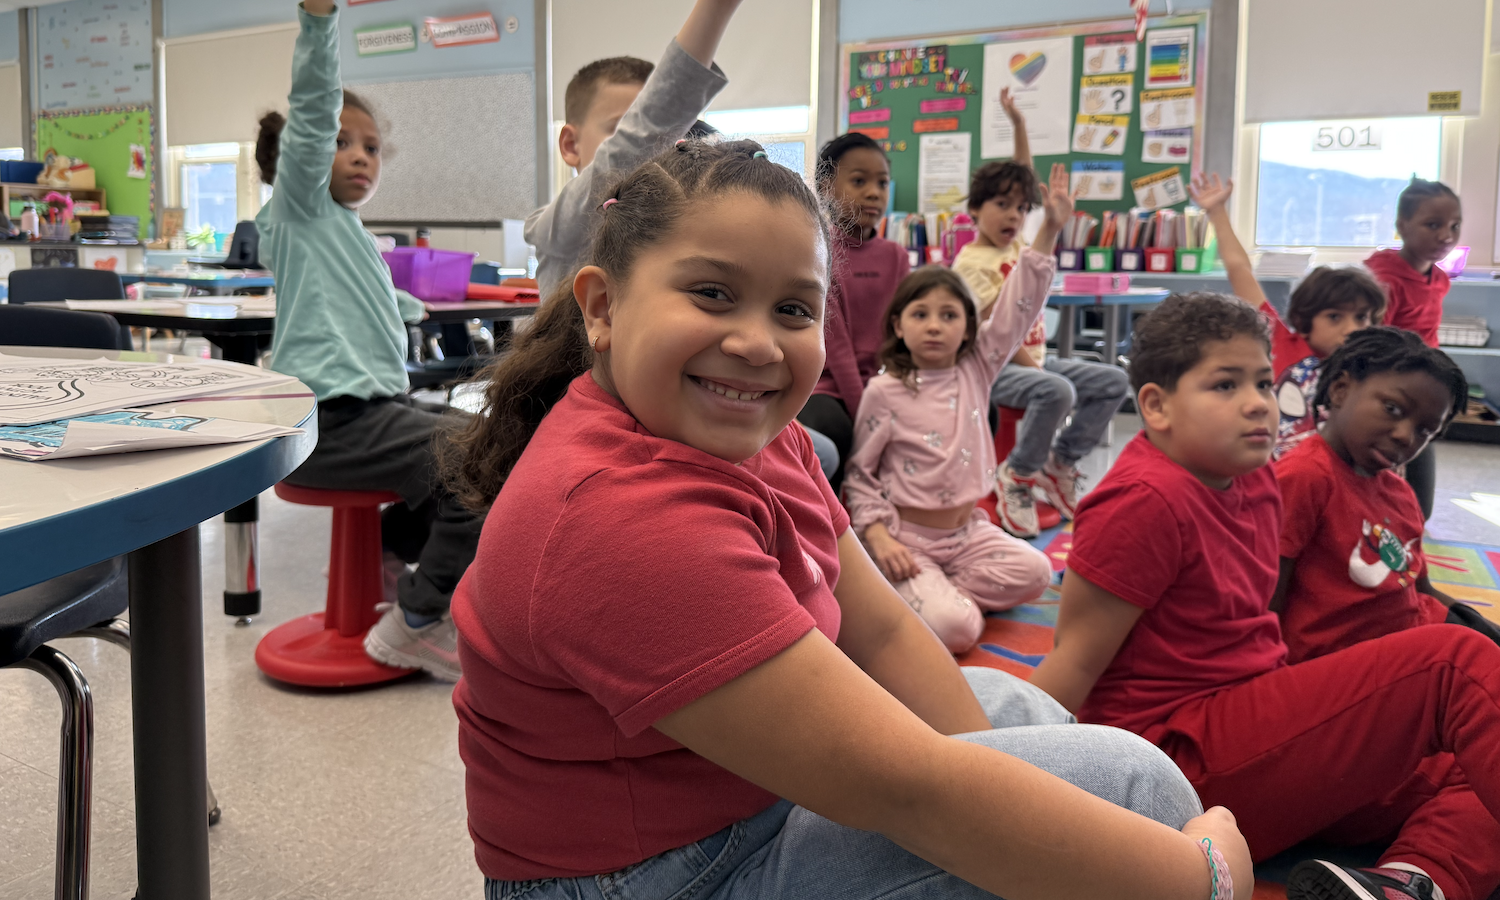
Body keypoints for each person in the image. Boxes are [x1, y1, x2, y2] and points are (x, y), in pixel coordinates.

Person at [444, 141, 1251, 900]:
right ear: (603, 306)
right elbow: (905, 787)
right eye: (712, 292)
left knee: (1025, 718)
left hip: (734, 804)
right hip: (651, 876)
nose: (758, 344)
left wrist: (1011, 765)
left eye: (794, 309)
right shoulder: (619, 518)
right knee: (1130, 786)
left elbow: (887, 632)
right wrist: (1203, 881)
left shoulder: (770, 435)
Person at [1028, 292, 1500, 900]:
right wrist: (984, 793)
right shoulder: (1143, 500)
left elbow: (1266, 633)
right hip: (1173, 762)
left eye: (1261, 381)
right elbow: (1071, 670)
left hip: (1251, 744)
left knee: (1469, 756)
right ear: (1156, 405)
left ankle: (1413, 882)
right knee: (1453, 665)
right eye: (1225, 386)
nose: (1257, 402)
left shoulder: (1253, 480)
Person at [254, 0, 482, 680]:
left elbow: (367, 296)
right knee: (482, 469)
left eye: (372, 147)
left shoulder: (348, 232)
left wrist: (413, 300)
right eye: (340, 141)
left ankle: (389, 557)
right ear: (298, 157)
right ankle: (417, 618)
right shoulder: (298, 211)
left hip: (375, 411)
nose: (359, 156)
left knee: (500, 440)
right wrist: (321, 22)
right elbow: (315, 106)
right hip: (330, 423)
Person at [843, 165, 1071, 654]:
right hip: (909, 540)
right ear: (899, 325)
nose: (934, 327)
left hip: (969, 535)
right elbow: (859, 477)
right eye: (920, 315)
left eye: (949, 316)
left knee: (1036, 572)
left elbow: (1017, 308)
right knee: (959, 632)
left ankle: (934, 595)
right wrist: (880, 539)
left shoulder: (976, 370)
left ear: (968, 329)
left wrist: (1048, 229)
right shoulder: (884, 391)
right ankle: (927, 594)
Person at [953, 90, 1130, 538]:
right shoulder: (970, 264)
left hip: (1033, 362)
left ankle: (1060, 463)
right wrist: (1041, 370)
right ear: (974, 209)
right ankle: (1019, 474)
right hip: (991, 370)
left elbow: (1025, 179)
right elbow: (996, 333)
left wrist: (1018, 127)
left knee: (1113, 380)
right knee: (1057, 389)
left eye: (1020, 208)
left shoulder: (1018, 247)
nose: (1014, 215)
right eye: (1001, 205)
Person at [1275, 326, 1500, 663]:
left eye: (1425, 430)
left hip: (1413, 631)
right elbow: (1266, 603)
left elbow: (1418, 589)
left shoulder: (1400, 493)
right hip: (1350, 663)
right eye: (1393, 408)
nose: (1405, 436)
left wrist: (1480, 628)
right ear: (1339, 390)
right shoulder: (1304, 477)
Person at [524, 0, 742, 298]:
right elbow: (640, 139)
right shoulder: (559, 227)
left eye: (670, 140)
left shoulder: (665, 222)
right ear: (571, 145)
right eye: (619, 129)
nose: (653, 152)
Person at [1190, 174, 1385, 459]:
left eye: (1362, 317)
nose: (1351, 329)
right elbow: (1239, 270)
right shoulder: (1280, 339)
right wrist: (1217, 211)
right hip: (1272, 472)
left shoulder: (1367, 369)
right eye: (1334, 317)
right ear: (1306, 319)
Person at [798, 133, 910, 489]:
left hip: (883, 379)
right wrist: (867, 409)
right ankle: (836, 519)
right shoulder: (821, 250)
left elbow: (903, 329)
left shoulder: (896, 255)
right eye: (859, 181)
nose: (874, 193)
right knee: (834, 427)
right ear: (827, 187)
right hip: (830, 386)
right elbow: (838, 350)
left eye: (882, 183)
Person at [1365, 178, 1463, 519]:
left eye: (1454, 226)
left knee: (1420, 502)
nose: (1446, 236)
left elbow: (1429, 335)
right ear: (1402, 226)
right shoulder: (1384, 278)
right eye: (1433, 225)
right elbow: (1374, 344)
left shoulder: (1439, 279)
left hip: (1424, 388)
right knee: (1377, 476)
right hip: (1390, 389)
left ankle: (1411, 522)